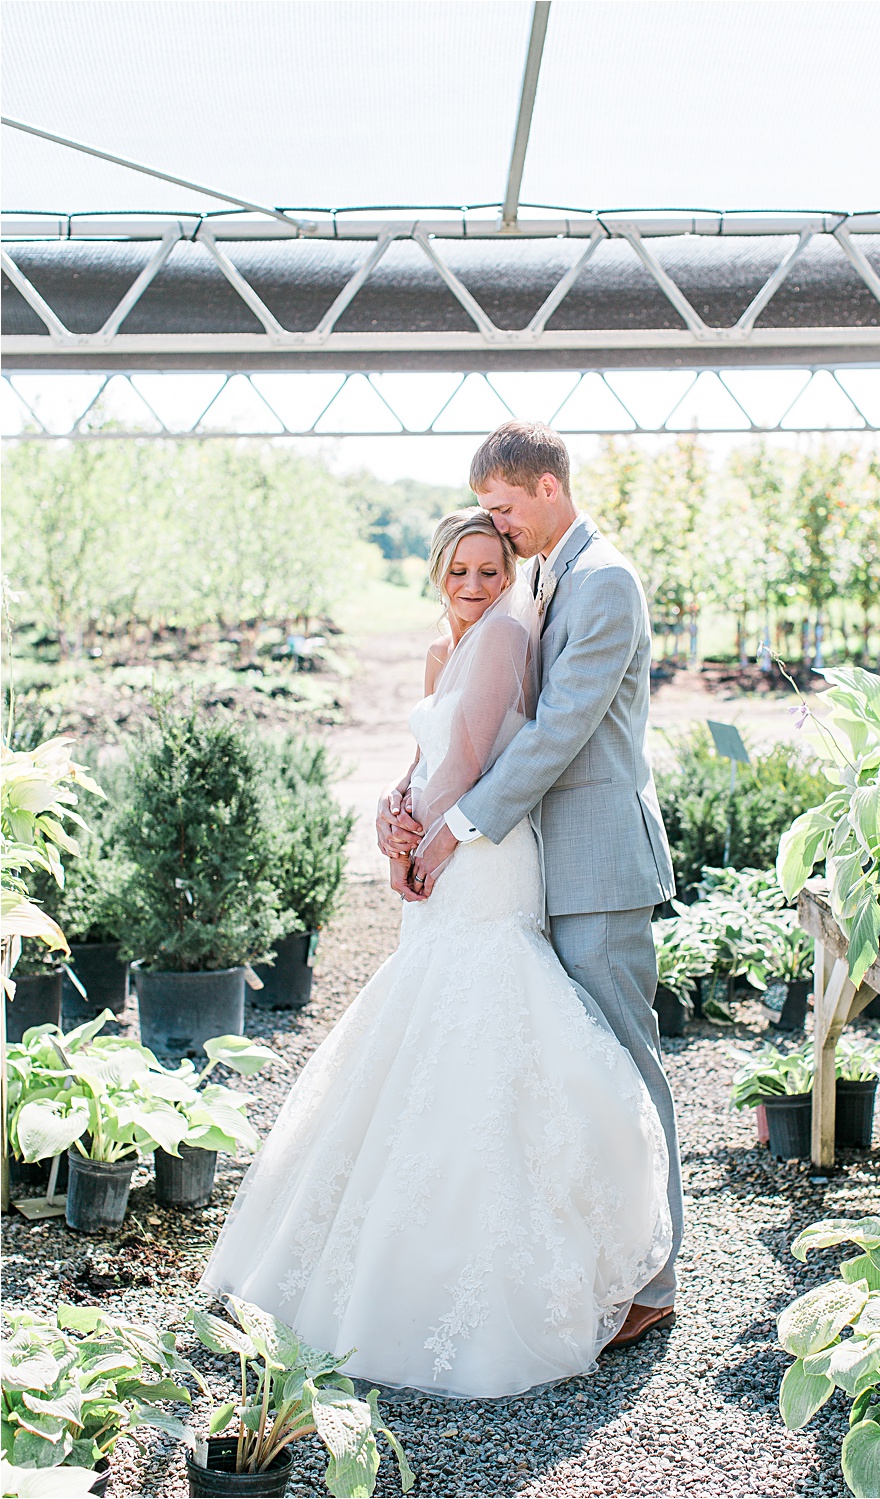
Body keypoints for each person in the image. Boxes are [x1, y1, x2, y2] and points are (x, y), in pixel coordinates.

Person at [199, 502, 673, 1400]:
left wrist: (422, 838)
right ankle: (397, 1251)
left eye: (490, 570)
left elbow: (469, 765)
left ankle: (582, 1264)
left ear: (509, 574)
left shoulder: (503, 639)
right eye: (459, 570)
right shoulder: (440, 648)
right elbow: (424, 755)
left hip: (484, 854)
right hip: (449, 850)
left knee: (488, 1016)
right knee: (428, 1027)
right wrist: (391, 812)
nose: (475, 585)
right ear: (434, 574)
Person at [382, 421, 684, 1348]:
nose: (499, 531)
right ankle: (596, 1253)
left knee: (623, 1066)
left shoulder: (604, 581)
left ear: (548, 488)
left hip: (595, 863)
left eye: (507, 510)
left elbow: (557, 733)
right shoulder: (550, 577)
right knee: (567, 1072)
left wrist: (456, 830)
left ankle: (657, 1277)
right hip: (539, 864)